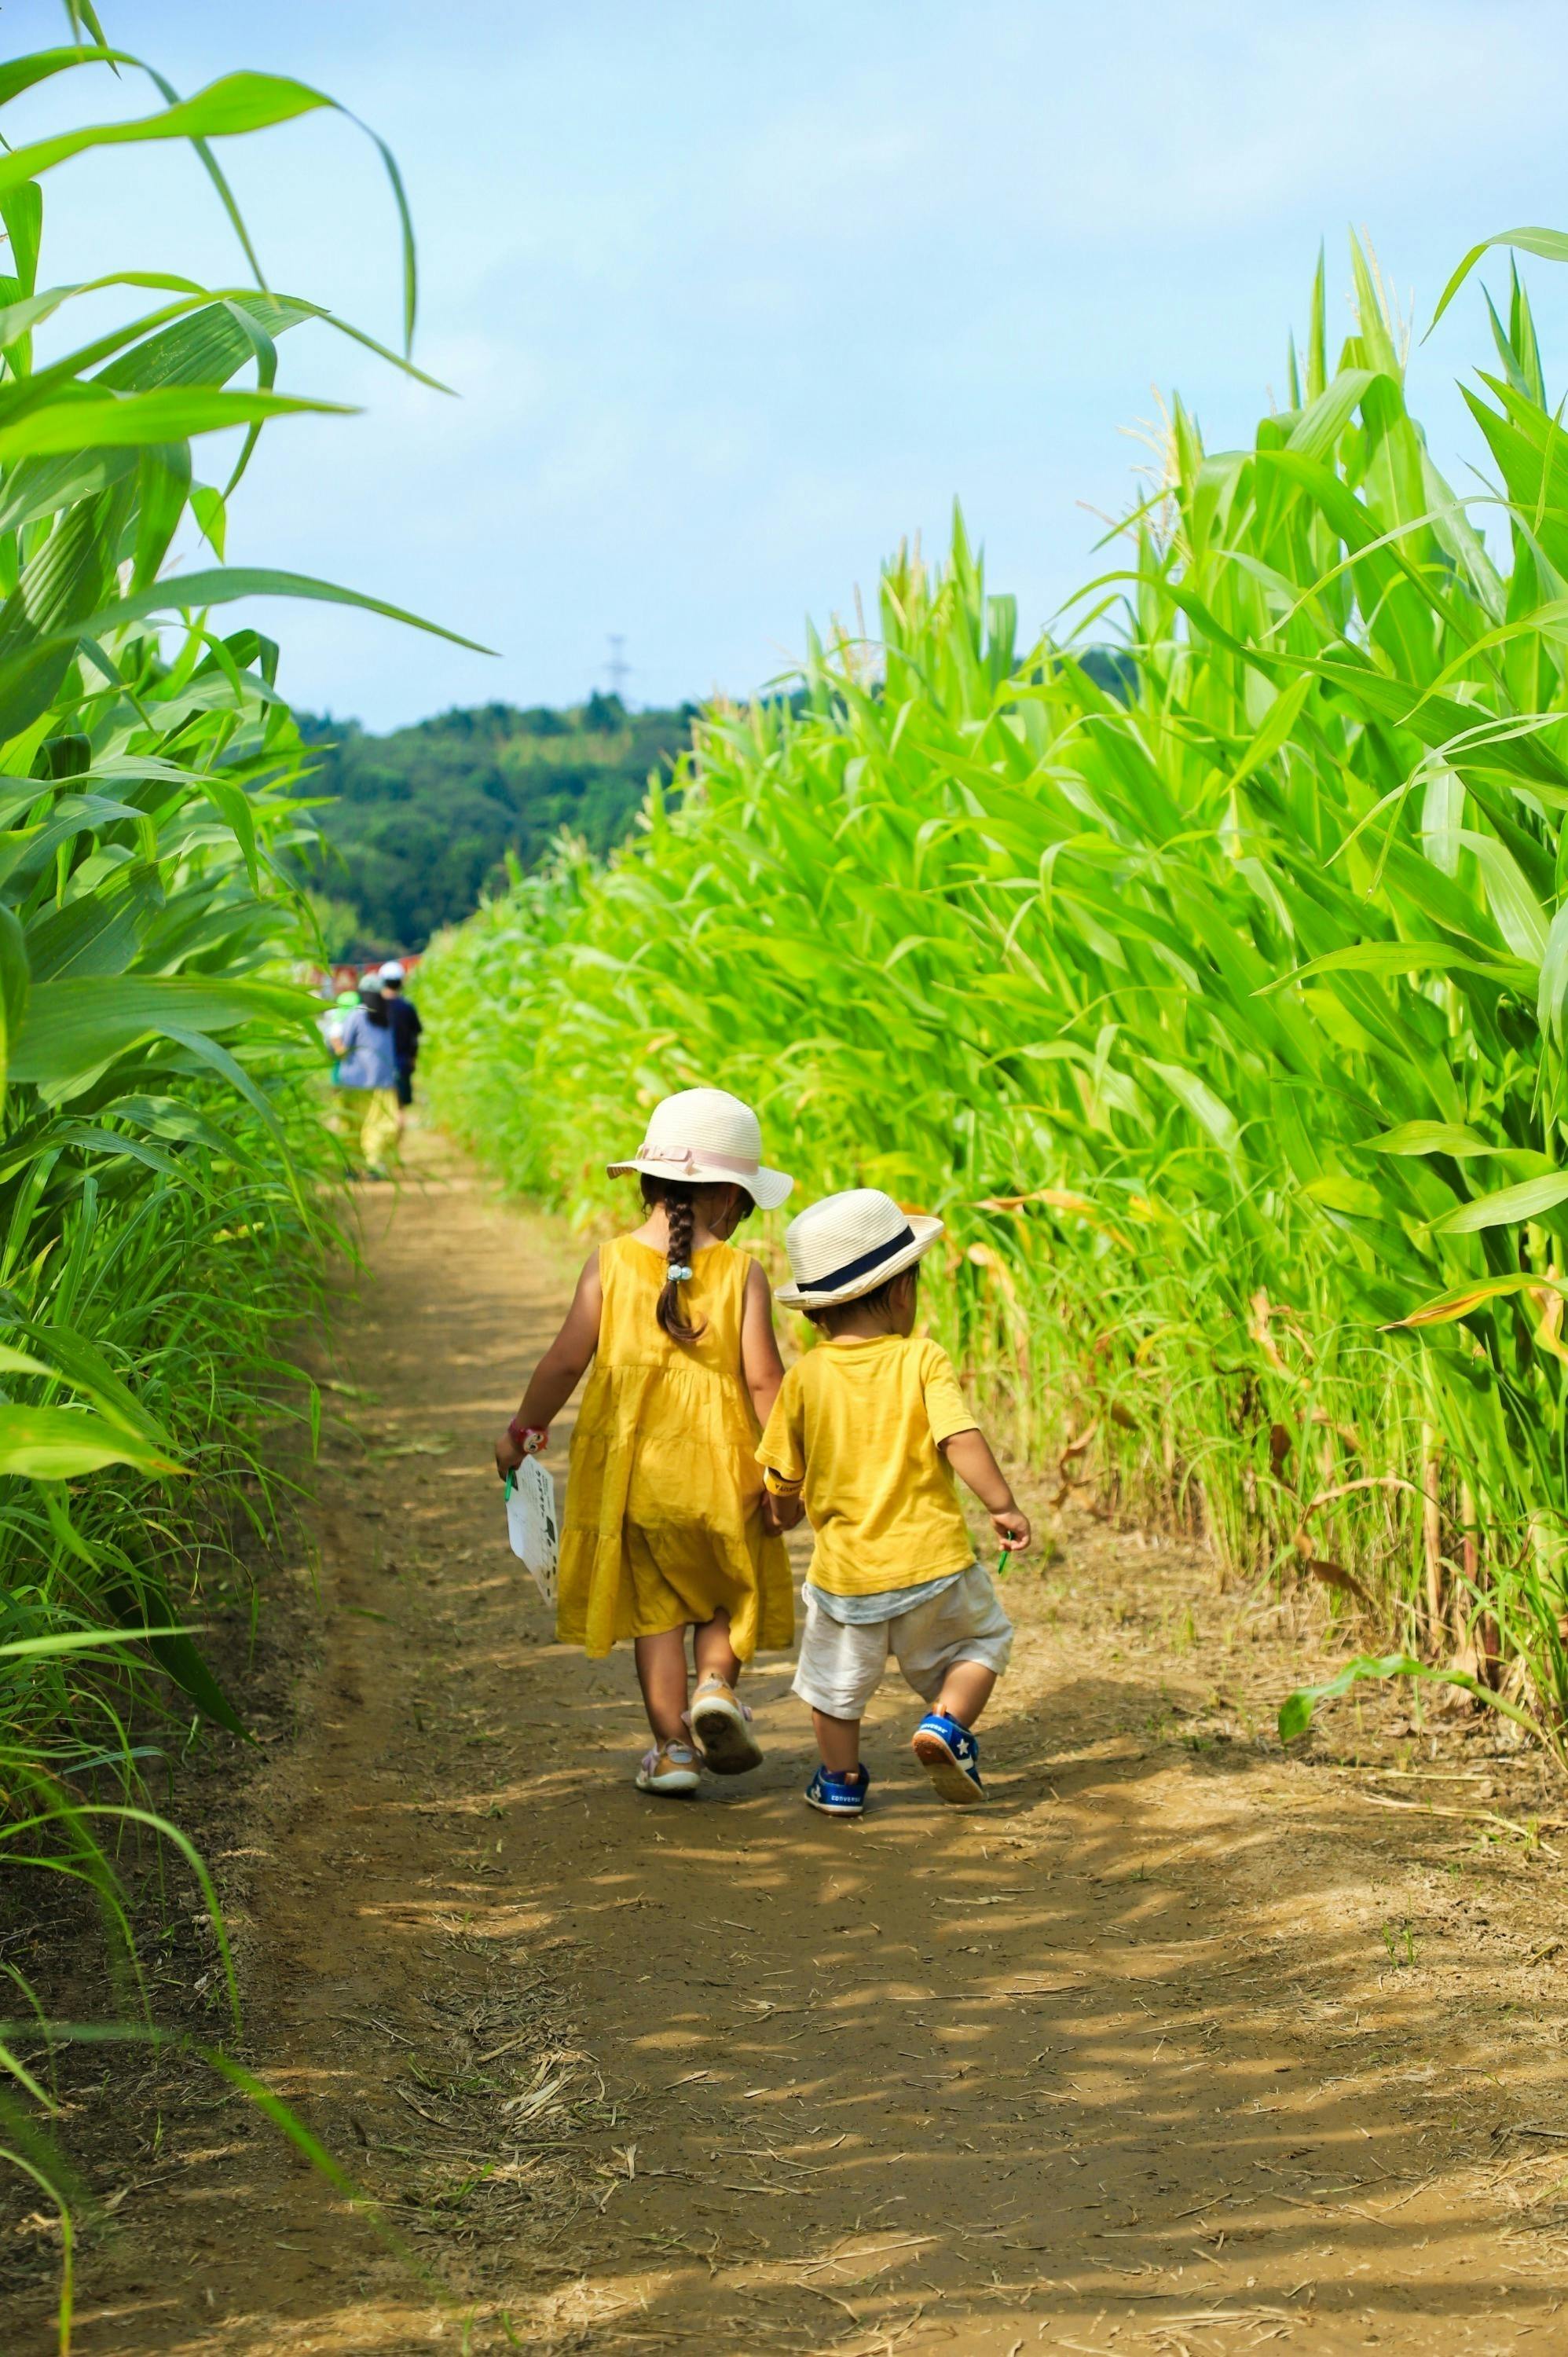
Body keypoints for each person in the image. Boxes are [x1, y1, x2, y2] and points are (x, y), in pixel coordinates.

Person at [493, 1087, 795, 1796]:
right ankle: (717, 1685)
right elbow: (765, 1384)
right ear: (730, 1197)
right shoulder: (743, 1274)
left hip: (636, 1477)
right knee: (723, 1596)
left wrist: (522, 1435)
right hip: (724, 1475)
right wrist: (788, 1474)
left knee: (656, 1614)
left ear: (650, 1183)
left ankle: (673, 1753)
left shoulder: (610, 1263)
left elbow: (564, 1361)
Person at [757, 1187, 1029, 1816]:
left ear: (816, 1312)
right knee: (983, 1644)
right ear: (901, 1290)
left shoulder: (803, 1380)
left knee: (834, 1689)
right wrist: (1002, 1505)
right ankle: (946, 1725)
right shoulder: (921, 1359)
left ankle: (840, 1781)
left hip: (846, 1574)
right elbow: (959, 1438)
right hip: (933, 1564)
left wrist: (779, 1514)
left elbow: (782, 1477)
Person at [332, 980, 401, 1178]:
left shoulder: (356, 1015)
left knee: (352, 1124)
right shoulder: (387, 1016)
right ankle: (374, 1164)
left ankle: (351, 1167)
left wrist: (334, 1046)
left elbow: (344, 1049)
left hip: (354, 1081)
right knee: (379, 1125)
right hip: (382, 1081)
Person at [378, 960, 423, 1119]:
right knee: (399, 1109)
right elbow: (416, 1036)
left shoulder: (375, 1008)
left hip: (378, 1065)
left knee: (379, 1111)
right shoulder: (407, 1007)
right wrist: (413, 1059)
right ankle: (396, 1142)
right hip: (402, 1063)